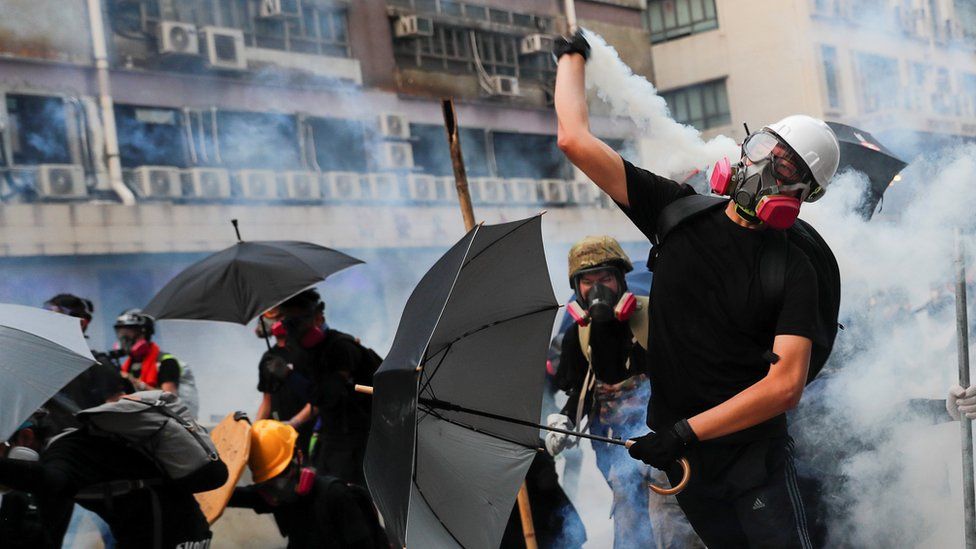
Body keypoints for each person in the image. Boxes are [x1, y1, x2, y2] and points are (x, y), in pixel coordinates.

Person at [554, 30, 840, 547]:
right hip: (686, 466)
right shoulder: (675, 211)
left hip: (756, 463)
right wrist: (571, 57)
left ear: (802, 194)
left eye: (786, 167)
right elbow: (574, 140)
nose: (765, 168)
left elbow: (785, 387)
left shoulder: (795, 267)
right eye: (767, 150)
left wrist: (685, 431)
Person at [545, 235, 701, 549]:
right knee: (630, 529)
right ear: (577, 288)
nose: (597, 288)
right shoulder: (581, 332)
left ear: (621, 279)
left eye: (605, 278)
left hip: (666, 445)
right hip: (617, 449)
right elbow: (585, 387)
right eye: (587, 281)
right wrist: (564, 421)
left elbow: (690, 377)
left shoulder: (655, 315)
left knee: (673, 527)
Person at [0, 413, 227, 548]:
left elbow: (51, 481)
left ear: (26, 438)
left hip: (166, 536)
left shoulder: (62, 454)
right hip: (182, 531)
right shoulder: (81, 442)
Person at [227, 420, 387, 548]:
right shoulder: (275, 499)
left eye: (283, 472)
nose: (278, 486)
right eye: (269, 481)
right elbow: (227, 496)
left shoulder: (334, 495)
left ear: (298, 457)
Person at [274, 289, 378, 486]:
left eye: (298, 321)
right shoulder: (311, 353)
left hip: (358, 438)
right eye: (289, 322)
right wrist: (294, 422)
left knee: (351, 495)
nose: (294, 328)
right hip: (332, 434)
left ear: (318, 318)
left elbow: (328, 396)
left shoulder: (341, 347)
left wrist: (290, 377)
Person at [114, 309, 200, 418]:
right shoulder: (128, 366)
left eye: (129, 332)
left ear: (144, 333)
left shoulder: (166, 362)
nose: (124, 338)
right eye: (121, 332)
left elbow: (170, 399)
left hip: (174, 422)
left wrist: (137, 384)